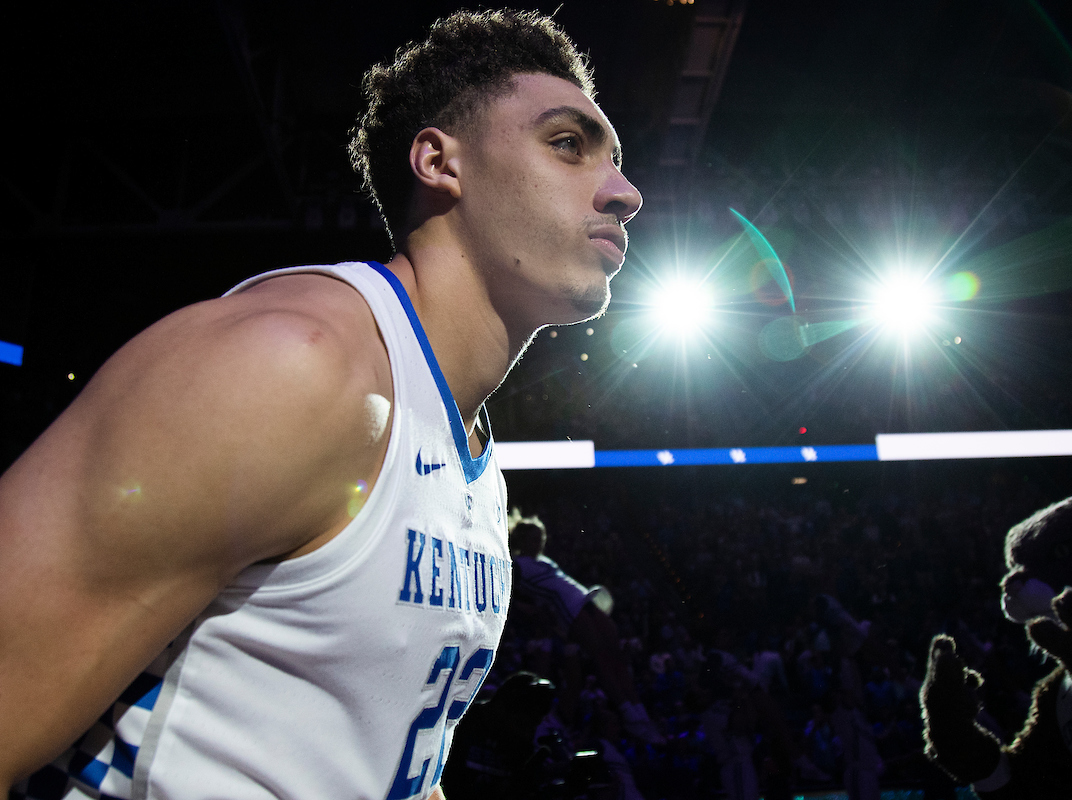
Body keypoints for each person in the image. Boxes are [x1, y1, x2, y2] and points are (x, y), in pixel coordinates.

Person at [0, 9, 641, 800]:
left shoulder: (470, 457)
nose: (625, 193)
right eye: (569, 144)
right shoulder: (291, 365)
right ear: (440, 162)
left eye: (617, 160)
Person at [508, 513, 665, 745]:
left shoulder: (545, 561)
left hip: (586, 600)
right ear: (521, 540)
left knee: (617, 657)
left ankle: (641, 715)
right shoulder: (518, 565)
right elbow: (510, 596)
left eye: (541, 537)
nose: (539, 542)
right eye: (533, 538)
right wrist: (534, 612)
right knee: (602, 658)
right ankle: (630, 717)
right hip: (569, 612)